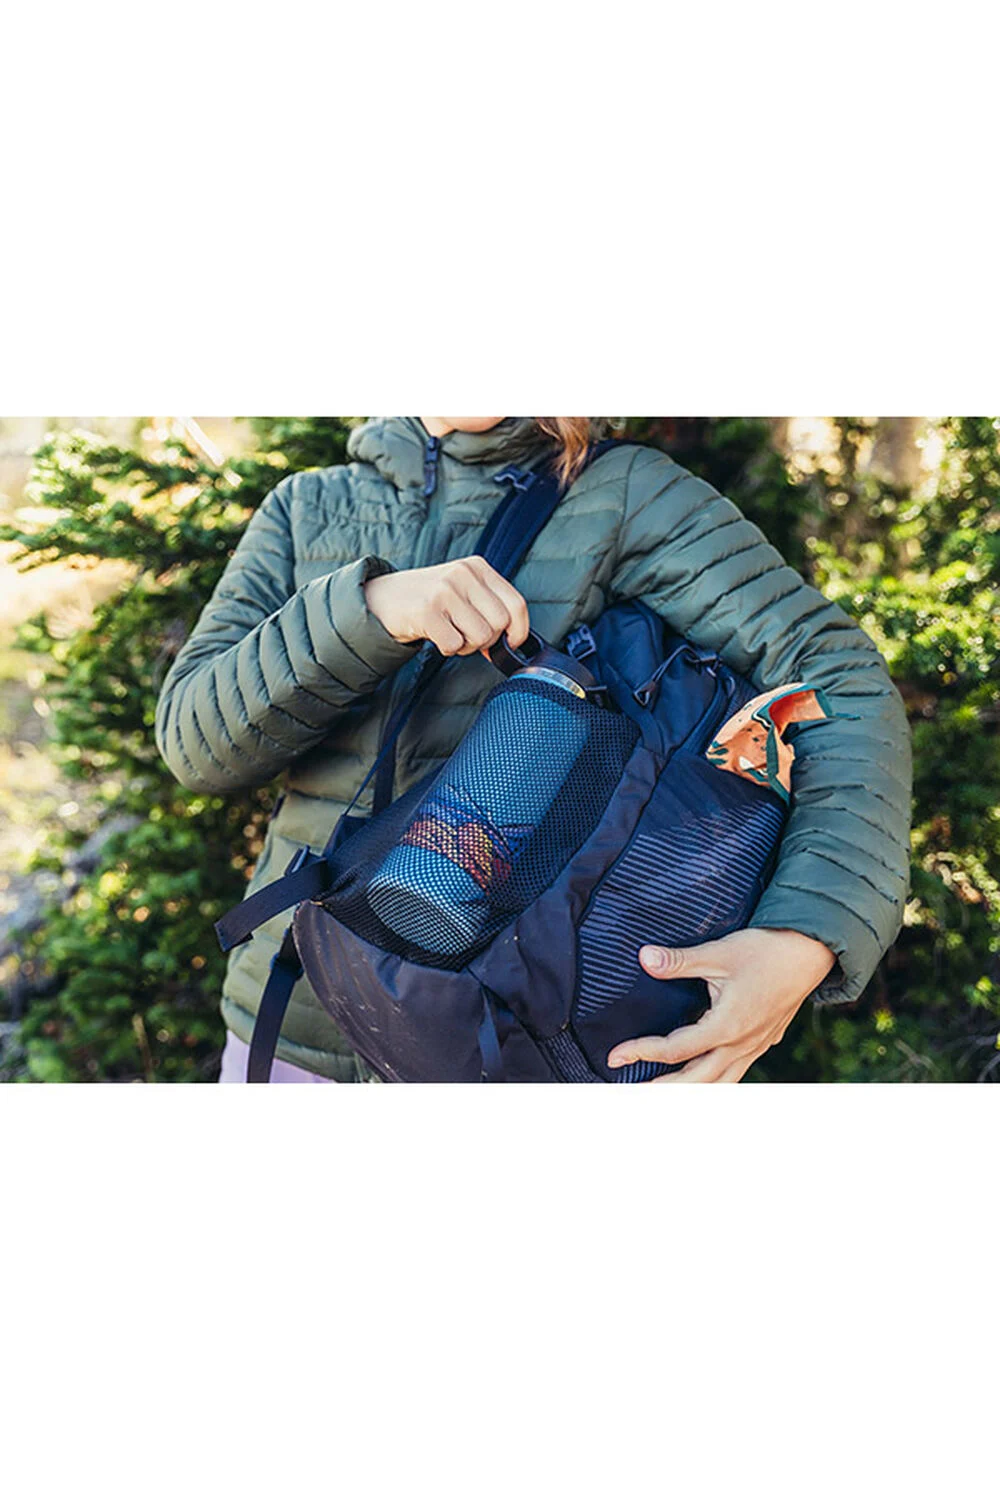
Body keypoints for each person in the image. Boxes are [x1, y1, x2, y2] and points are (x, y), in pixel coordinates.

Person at [154, 417, 912, 1083]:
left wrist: (802, 939)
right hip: (290, 1030)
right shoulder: (307, 506)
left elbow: (836, 678)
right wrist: (368, 611)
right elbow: (197, 747)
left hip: (502, 1049)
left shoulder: (624, 493)